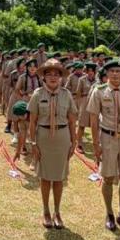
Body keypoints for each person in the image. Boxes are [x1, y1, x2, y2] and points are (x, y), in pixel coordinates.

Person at [87, 58, 120, 233]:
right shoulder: (99, 91)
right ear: (107, 74)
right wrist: (96, 144)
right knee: (108, 177)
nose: (115, 74)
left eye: (118, 71)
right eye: (112, 71)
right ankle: (109, 213)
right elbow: (94, 119)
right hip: (108, 138)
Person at [26, 58, 77, 229]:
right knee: (46, 177)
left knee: (59, 177)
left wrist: (74, 141)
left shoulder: (66, 95)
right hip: (44, 137)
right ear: (44, 77)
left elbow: (72, 121)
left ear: (61, 77)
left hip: (62, 137)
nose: (53, 77)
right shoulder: (38, 94)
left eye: (57, 74)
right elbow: (32, 122)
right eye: (49, 74)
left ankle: (57, 211)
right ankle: (46, 211)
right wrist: (33, 143)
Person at [13, 58, 41, 149]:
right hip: (26, 102)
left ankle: (35, 144)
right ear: (27, 68)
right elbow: (17, 89)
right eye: (30, 66)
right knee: (23, 124)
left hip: (37, 103)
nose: (32, 68)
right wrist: (22, 100)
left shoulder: (39, 77)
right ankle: (23, 146)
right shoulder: (22, 77)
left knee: (36, 123)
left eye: (34, 66)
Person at [75, 61, 97, 154]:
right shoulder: (82, 80)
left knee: (96, 124)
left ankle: (96, 143)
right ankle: (78, 144)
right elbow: (78, 93)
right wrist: (79, 105)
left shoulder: (97, 80)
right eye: (89, 70)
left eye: (92, 71)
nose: (90, 72)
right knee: (82, 124)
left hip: (95, 102)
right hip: (84, 102)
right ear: (86, 71)